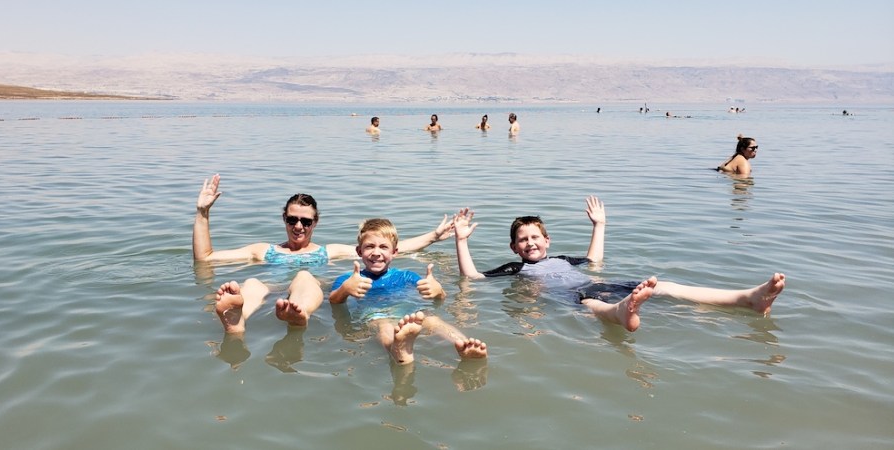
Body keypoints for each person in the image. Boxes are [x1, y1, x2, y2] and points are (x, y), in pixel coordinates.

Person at [452, 197, 786, 332]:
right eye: (523, 240)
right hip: (573, 296)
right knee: (592, 305)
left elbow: (594, 260)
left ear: (547, 240)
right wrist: (461, 241)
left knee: (664, 286)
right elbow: (474, 278)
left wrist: (599, 225)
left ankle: (747, 298)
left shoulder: (562, 259)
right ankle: (621, 312)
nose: (530, 243)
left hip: (597, 283)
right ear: (514, 248)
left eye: (535, 237)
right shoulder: (516, 269)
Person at [194, 174, 453, 335]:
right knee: (251, 283)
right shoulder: (263, 251)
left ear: (315, 223)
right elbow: (205, 258)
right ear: (284, 219)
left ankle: (299, 314)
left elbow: (391, 249)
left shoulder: (328, 252)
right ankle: (237, 322)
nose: (298, 226)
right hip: (271, 292)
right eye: (292, 219)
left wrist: (433, 236)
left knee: (305, 277)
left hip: (307, 295)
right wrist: (202, 213)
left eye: (306, 221)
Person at [330, 218, 488, 365]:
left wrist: (438, 290)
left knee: (432, 320)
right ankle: (397, 348)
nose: (376, 252)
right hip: (374, 315)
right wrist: (345, 289)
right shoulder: (349, 279)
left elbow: (438, 298)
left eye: (383, 247)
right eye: (370, 246)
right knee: (384, 326)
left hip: (408, 312)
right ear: (359, 251)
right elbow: (334, 300)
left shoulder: (406, 276)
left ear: (394, 252)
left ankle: (464, 346)